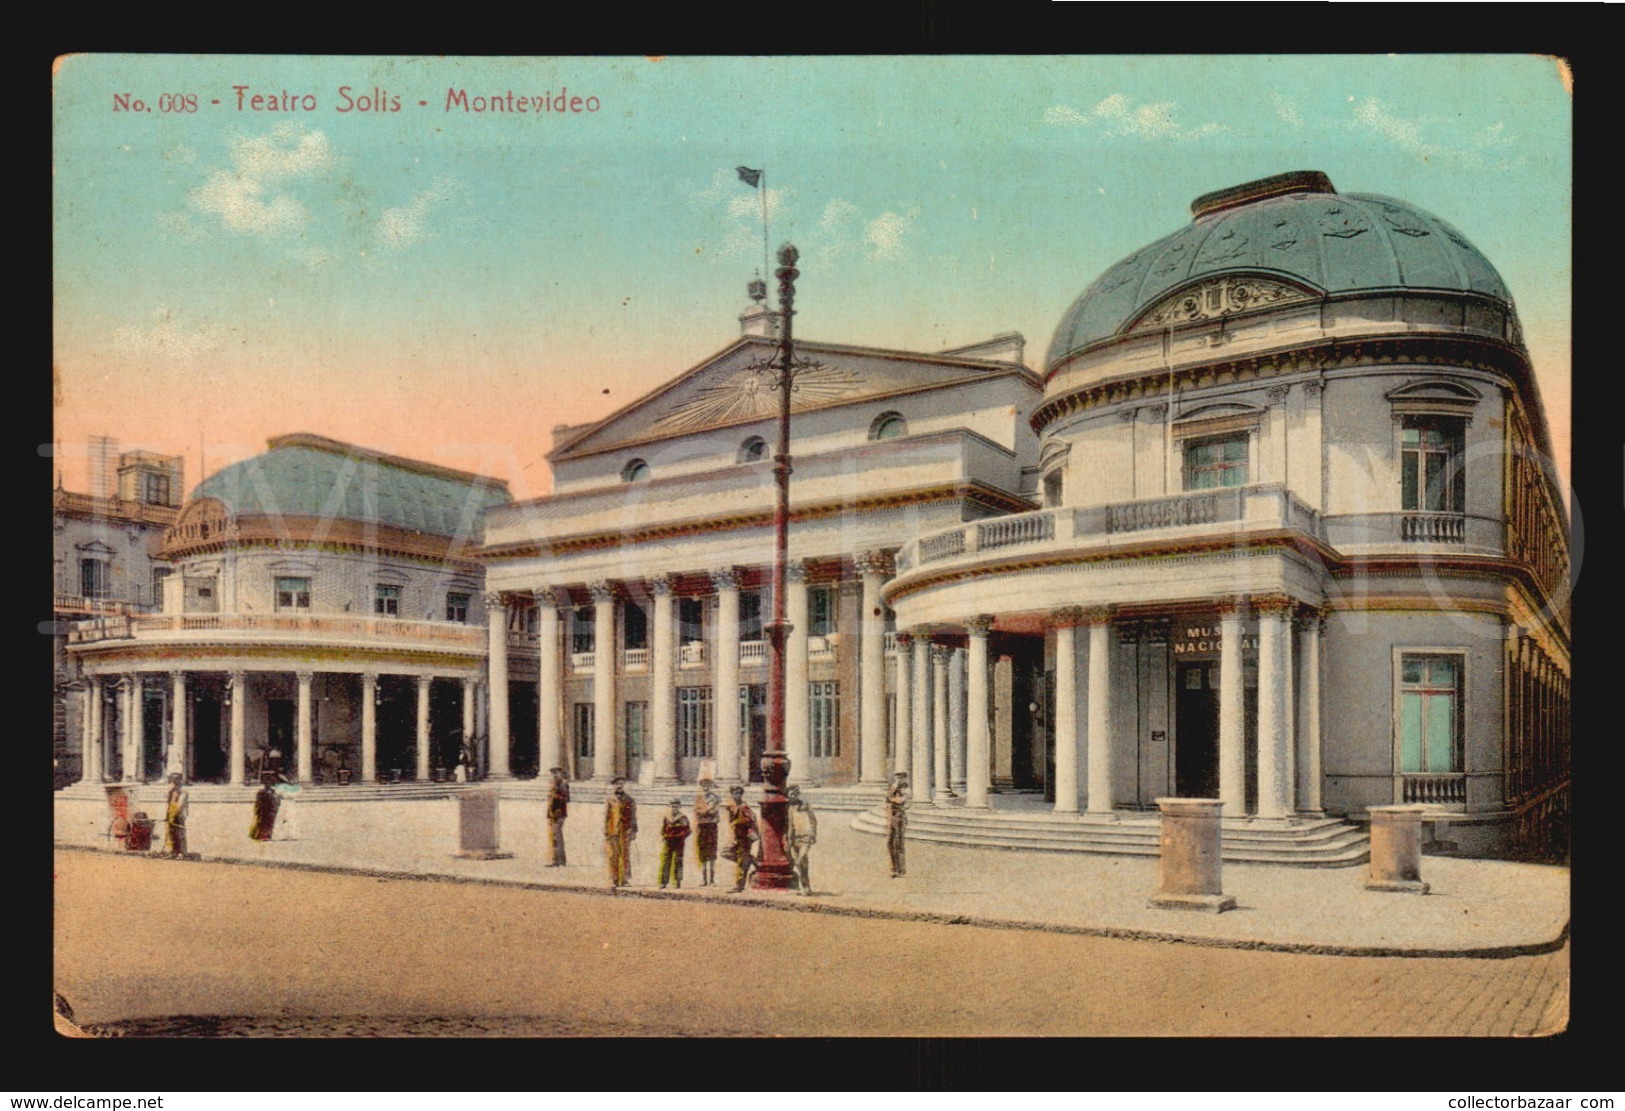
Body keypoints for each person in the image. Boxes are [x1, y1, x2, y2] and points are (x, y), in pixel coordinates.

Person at [603, 777, 638, 887]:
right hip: (612, 830)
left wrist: (633, 830)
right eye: (617, 784)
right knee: (613, 855)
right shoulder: (610, 799)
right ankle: (613, 878)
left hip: (625, 830)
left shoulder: (629, 800)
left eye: (621, 784)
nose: (619, 786)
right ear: (614, 785)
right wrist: (605, 831)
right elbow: (606, 816)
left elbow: (633, 817)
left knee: (624, 855)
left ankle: (624, 879)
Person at [724, 785, 758, 893]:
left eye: (739, 793)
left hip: (744, 836)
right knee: (725, 852)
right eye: (734, 793)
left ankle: (738, 885)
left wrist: (750, 831)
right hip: (736, 835)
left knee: (741, 861)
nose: (736, 795)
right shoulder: (732, 806)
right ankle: (750, 859)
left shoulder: (744, 807)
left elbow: (751, 820)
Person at [787, 785, 819, 896]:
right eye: (790, 794)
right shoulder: (787, 807)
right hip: (794, 838)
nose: (792, 796)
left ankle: (805, 887)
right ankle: (806, 887)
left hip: (805, 837)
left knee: (800, 860)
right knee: (801, 864)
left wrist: (813, 835)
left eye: (794, 794)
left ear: (798, 794)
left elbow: (813, 821)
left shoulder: (804, 806)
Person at [658, 798, 691, 889]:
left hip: (679, 842)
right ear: (669, 807)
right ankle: (663, 882)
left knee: (678, 861)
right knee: (666, 861)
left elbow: (688, 830)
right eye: (672, 806)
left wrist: (681, 837)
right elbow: (663, 829)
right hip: (668, 841)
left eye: (676, 807)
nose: (674, 808)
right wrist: (665, 835)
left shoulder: (683, 817)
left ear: (679, 807)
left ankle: (677, 881)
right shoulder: (667, 817)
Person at [693, 778, 721, 886]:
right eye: (703, 786)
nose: (705, 788)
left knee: (712, 850)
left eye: (708, 786)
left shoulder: (715, 798)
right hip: (701, 826)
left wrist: (705, 812)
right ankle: (704, 879)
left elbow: (715, 812)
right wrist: (707, 811)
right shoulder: (698, 798)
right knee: (702, 850)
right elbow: (697, 812)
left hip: (712, 826)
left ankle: (712, 879)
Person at [886, 771, 910, 878]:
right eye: (897, 779)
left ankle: (901, 869)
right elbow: (888, 798)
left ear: (904, 779)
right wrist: (892, 794)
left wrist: (892, 799)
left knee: (899, 843)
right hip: (892, 817)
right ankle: (894, 868)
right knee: (890, 842)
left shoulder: (906, 790)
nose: (898, 780)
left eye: (901, 778)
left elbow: (901, 801)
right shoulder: (894, 789)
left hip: (900, 817)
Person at [545, 766, 570, 867]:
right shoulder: (553, 783)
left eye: (556, 773)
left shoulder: (562, 784)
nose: (554, 775)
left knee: (557, 836)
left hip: (559, 813)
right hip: (552, 813)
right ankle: (556, 859)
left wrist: (554, 796)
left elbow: (566, 798)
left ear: (560, 773)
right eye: (553, 773)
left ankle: (559, 860)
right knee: (553, 836)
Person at [162, 773, 189, 857]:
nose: (173, 782)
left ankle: (181, 852)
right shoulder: (173, 790)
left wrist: (174, 815)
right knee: (172, 833)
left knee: (179, 833)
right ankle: (174, 851)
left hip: (177, 814)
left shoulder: (181, 791)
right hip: (172, 813)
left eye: (175, 780)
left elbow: (180, 805)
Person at [250, 776, 280, 841]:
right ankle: (260, 835)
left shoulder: (273, 791)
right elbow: (258, 801)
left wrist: (276, 806)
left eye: (270, 784)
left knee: (270, 823)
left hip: (271, 809)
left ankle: (268, 835)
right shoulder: (261, 792)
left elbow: (276, 800)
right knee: (262, 823)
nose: (269, 785)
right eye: (267, 784)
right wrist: (257, 809)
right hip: (263, 810)